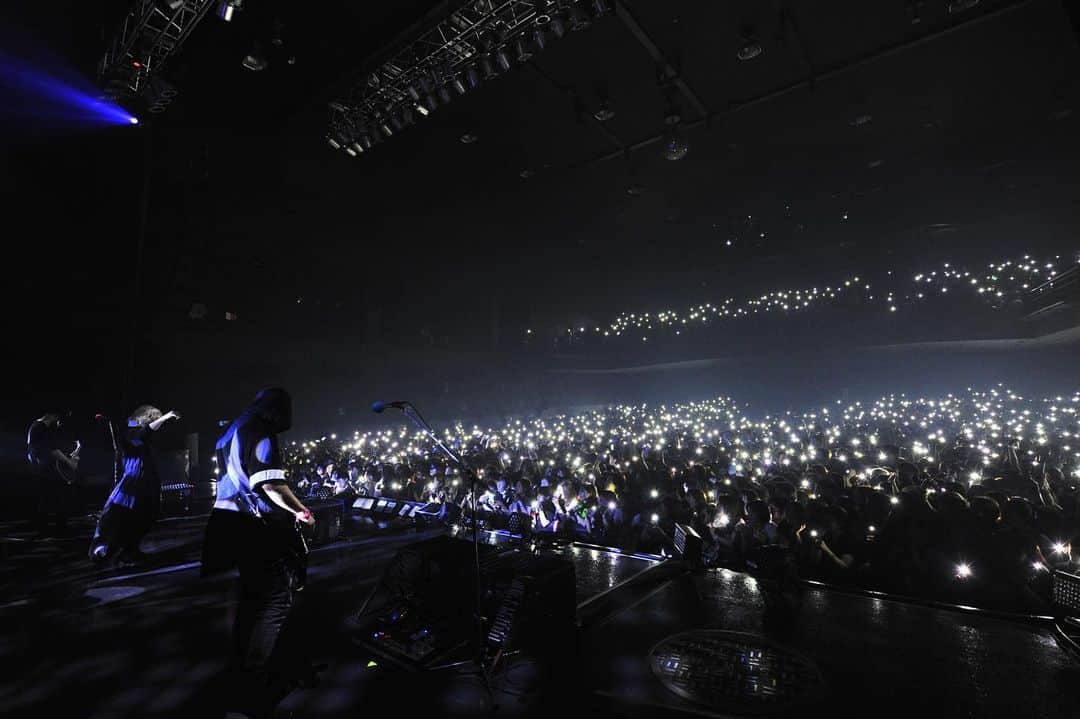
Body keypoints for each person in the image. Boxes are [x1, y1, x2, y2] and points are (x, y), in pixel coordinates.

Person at [201, 387, 316, 719]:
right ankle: (254, 685)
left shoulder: (232, 429)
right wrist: (301, 511)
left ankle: (239, 673)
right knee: (275, 601)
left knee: (252, 599)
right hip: (253, 526)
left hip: (228, 521)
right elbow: (268, 483)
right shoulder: (260, 430)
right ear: (276, 409)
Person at [89, 405, 180, 564]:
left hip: (144, 484)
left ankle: (130, 551)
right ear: (146, 418)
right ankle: (108, 552)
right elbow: (145, 433)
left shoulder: (135, 434)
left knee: (144, 519)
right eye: (154, 419)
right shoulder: (131, 433)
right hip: (135, 485)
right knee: (125, 520)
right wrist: (165, 417)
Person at [26, 412, 79, 536]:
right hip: (45, 470)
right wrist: (69, 462)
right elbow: (52, 449)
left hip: (41, 469)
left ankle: (45, 529)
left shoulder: (35, 426)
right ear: (52, 416)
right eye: (57, 420)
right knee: (57, 499)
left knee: (47, 499)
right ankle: (57, 529)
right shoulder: (41, 428)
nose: (57, 424)